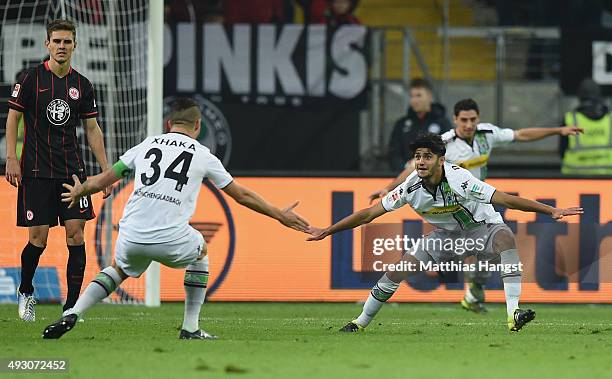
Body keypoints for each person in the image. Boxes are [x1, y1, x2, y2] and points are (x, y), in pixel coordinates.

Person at [42, 97, 310, 340]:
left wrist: (81, 190)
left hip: (131, 233)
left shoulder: (147, 145)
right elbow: (241, 195)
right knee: (201, 251)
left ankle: (73, 312)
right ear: (198, 125)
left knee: (119, 269)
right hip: (169, 237)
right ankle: (191, 327)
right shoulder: (203, 155)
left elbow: (105, 179)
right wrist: (278, 215)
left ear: (169, 123)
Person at [308, 133, 583, 332]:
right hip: (446, 237)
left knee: (506, 237)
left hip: (482, 229)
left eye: (427, 156)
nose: (421, 162)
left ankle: (513, 312)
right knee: (396, 271)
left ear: (441, 160)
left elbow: (505, 199)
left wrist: (550, 211)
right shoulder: (409, 188)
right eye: (417, 157)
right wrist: (328, 231)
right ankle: (360, 322)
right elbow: (369, 214)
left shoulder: (460, 179)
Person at [371, 98, 583, 313]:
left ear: (478, 119)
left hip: (480, 202)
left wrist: (558, 131)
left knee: (491, 256)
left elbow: (521, 135)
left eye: (473, 119)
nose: (469, 124)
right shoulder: (444, 144)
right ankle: (462, 285)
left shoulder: (487, 134)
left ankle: (474, 292)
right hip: (453, 205)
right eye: (464, 120)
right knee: (461, 247)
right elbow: (412, 168)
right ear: (455, 120)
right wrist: (389, 188)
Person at [6, 19, 111, 322]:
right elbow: (13, 119)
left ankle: (72, 307)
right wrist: (11, 157)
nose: (62, 46)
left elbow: (92, 129)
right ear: (47, 44)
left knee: (75, 236)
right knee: (38, 240)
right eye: (57, 41)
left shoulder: (83, 85)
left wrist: (106, 172)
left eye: (67, 41)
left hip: (72, 174)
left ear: (75, 45)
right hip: (36, 171)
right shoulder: (29, 79)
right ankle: (26, 291)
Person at [388, 78, 452, 173]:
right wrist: (406, 168)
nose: (414, 100)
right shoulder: (401, 124)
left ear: (429, 96)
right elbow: (393, 153)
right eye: (412, 96)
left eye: (418, 95)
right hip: (404, 177)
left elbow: (449, 151)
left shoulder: (443, 123)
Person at [561, 78, 612, 175]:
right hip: (607, 179)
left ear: (579, 96)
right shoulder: (610, 119)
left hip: (575, 179)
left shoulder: (570, 119)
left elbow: (562, 150)